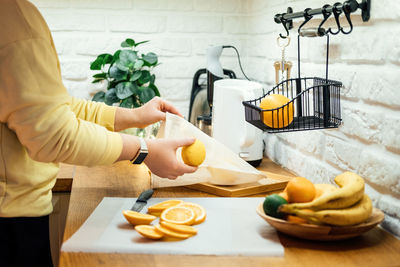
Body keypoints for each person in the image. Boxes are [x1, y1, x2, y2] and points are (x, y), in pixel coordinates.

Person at [0, 0, 197, 266]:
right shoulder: (13, 19)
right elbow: (55, 136)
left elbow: (55, 107)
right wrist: (144, 151)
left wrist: (134, 117)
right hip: (9, 222)